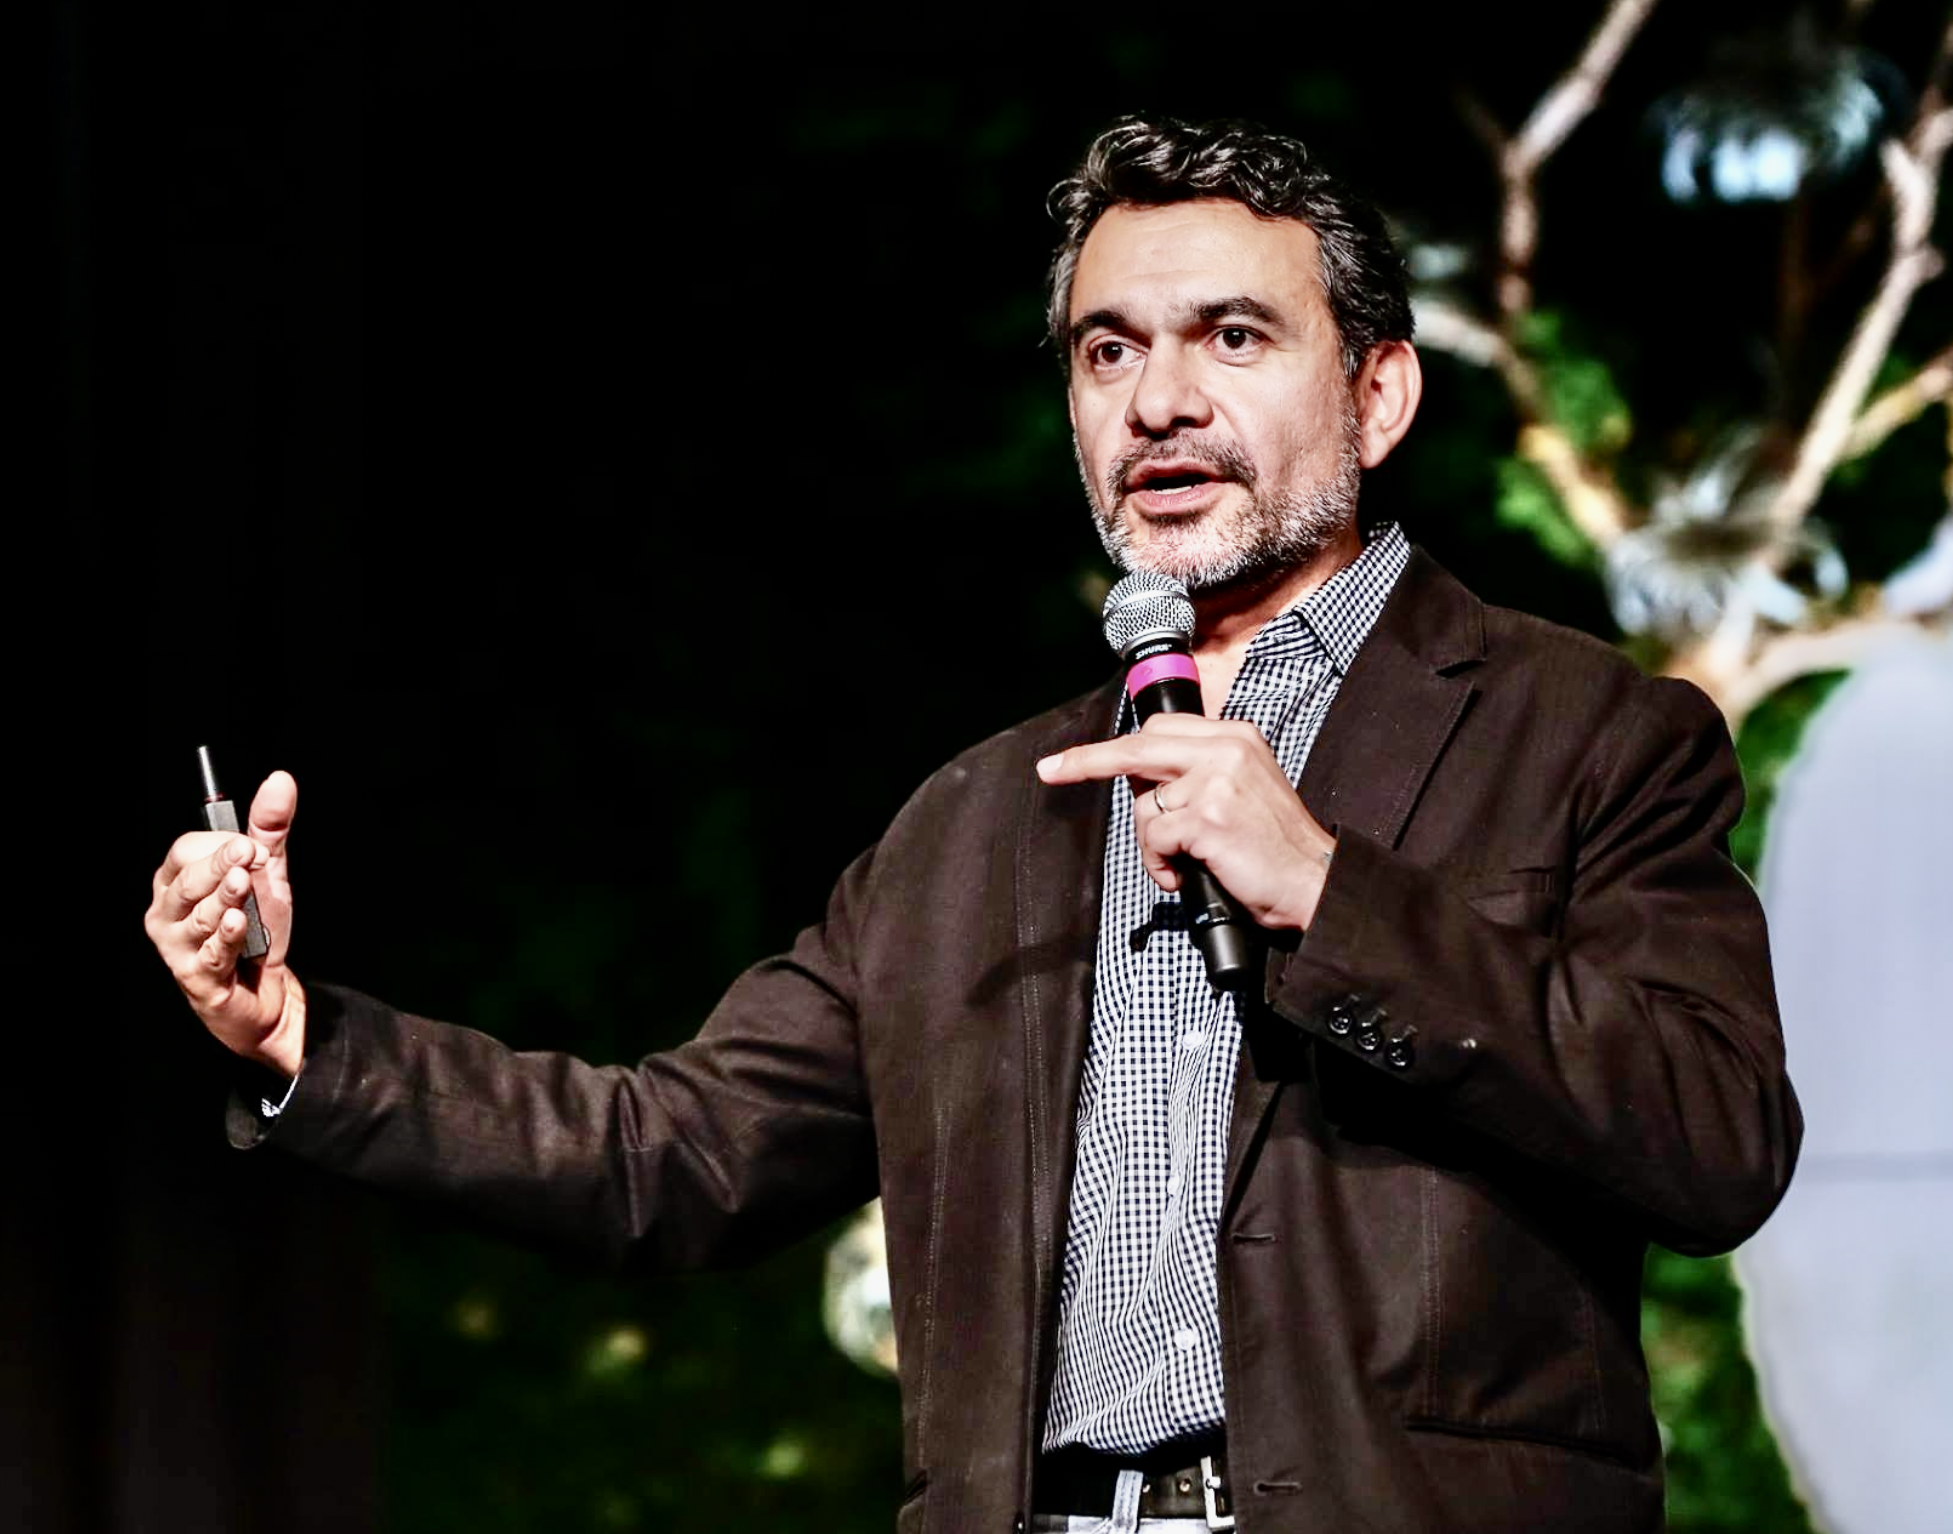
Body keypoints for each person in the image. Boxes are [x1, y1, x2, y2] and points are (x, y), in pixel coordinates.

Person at [144, 117, 1801, 1533]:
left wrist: (1327, 891)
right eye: (1107, 349)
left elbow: (1712, 1133)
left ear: (1376, 396)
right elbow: (672, 1153)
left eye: (1231, 338)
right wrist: (295, 1032)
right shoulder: (971, 825)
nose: (1156, 401)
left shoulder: (1581, 731)